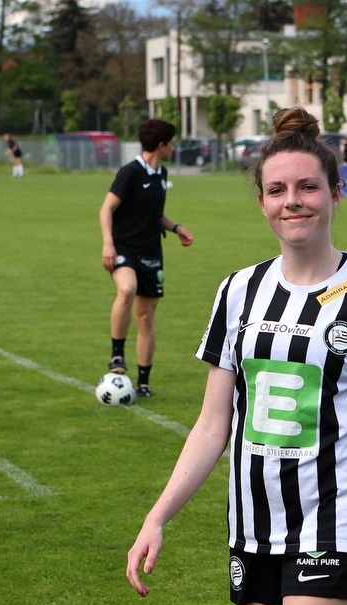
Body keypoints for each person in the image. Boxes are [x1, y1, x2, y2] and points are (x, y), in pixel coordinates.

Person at [126, 106, 347, 605]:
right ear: (262, 202)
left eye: (308, 187)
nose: (293, 201)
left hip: (336, 523)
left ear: (335, 192)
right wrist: (157, 516)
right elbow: (213, 425)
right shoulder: (237, 291)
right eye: (278, 190)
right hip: (253, 528)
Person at [99, 119, 193, 398]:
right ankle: (117, 356)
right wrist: (108, 244)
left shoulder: (161, 174)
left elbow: (154, 213)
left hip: (151, 251)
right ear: (161, 145)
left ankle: (143, 382)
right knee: (126, 289)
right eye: (172, 144)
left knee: (146, 317)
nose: (173, 148)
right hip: (123, 247)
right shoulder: (130, 172)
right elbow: (106, 209)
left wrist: (176, 227)